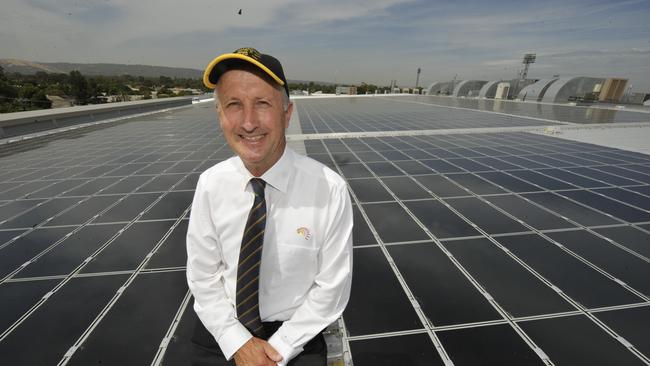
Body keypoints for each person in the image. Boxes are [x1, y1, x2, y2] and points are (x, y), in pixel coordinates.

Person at [186, 47, 353, 366]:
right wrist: (239, 344)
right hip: (221, 332)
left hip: (297, 337)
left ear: (287, 113)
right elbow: (203, 277)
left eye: (262, 104)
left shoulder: (328, 190)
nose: (249, 123)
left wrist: (277, 351)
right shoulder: (210, 184)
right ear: (220, 115)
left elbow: (331, 288)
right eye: (234, 105)